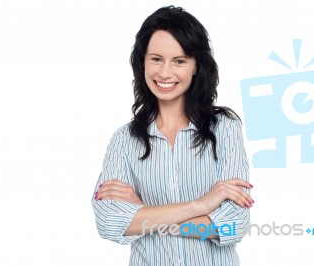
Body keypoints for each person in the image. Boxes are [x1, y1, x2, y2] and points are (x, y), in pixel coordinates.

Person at [92, 6, 253, 265]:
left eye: (179, 61)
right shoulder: (123, 141)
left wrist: (144, 214)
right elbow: (109, 224)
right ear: (142, 61)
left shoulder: (224, 128)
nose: (165, 73)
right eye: (156, 59)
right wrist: (201, 206)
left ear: (195, 66)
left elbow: (234, 226)